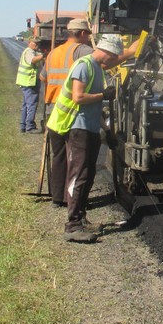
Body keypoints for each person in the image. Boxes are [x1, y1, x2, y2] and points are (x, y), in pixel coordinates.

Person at [47, 34, 124, 243]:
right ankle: (72, 226)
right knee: (78, 175)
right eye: (113, 56)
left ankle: (81, 218)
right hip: (75, 126)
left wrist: (107, 131)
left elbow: (95, 107)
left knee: (88, 175)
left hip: (89, 127)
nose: (113, 60)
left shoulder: (98, 69)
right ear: (105, 51)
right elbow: (78, 98)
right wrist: (104, 95)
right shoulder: (84, 66)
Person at [43, 18, 95, 207]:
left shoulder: (52, 53)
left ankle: (57, 197)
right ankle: (70, 199)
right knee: (75, 159)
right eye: (88, 35)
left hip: (53, 111)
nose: (89, 38)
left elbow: (43, 77)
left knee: (58, 156)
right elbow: (102, 61)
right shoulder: (82, 51)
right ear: (82, 34)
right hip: (70, 111)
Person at [15, 37, 47, 133]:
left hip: (27, 81)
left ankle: (23, 125)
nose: (36, 45)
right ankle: (30, 126)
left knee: (26, 105)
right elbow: (32, 60)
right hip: (29, 82)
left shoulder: (33, 51)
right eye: (35, 43)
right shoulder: (29, 51)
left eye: (38, 44)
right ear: (29, 43)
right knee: (31, 104)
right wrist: (43, 56)